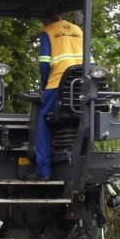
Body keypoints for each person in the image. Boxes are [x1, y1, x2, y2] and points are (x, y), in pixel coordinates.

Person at [33, 9, 83, 180]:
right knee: (80, 116)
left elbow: (44, 63)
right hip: (80, 85)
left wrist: (44, 84)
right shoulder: (78, 30)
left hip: (57, 84)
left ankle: (43, 170)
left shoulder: (48, 32)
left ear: (46, 19)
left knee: (44, 120)